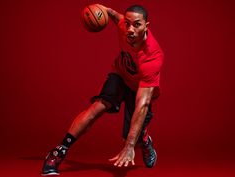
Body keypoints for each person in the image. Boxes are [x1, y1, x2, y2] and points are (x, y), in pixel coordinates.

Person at [41, 4, 164, 176]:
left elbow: (142, 105)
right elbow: (112, 14)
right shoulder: (123, 24)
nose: (130, 29)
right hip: (120, 75)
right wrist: (97, 9)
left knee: (131, 134)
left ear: (146, 26)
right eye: (127, 23)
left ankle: (143, 138)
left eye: (136, 24)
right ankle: (58, 152)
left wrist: (129, 145)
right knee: (97, 108)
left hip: (139, 88)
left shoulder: (153, 56)